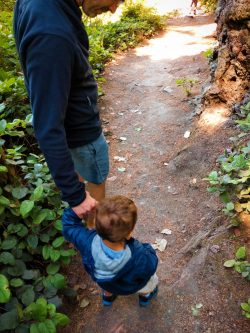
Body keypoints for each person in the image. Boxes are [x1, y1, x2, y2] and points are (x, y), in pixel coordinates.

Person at [13, 0, 125, 222]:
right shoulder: (51, 34)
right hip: (82, 136)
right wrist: (76, 197)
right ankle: (97, 247)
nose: (114, 8)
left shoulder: (42, 6)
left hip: (73, 128)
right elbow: (47, 125)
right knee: (94, 197)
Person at [62, 195, 159, 306]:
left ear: (96, 225)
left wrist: (76, 208)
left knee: (106, 285)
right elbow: (151, 265)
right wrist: (148, 249)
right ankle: (145, 297)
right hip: (132, 286)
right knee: (148, 282)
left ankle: (108, 298)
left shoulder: (86, 241)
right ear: (129, 234)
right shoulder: (138, 254)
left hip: (107, 283)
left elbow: (69, 226)